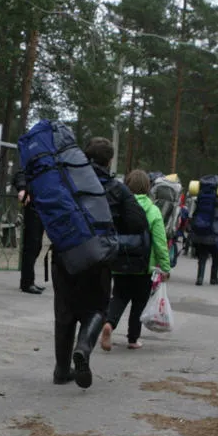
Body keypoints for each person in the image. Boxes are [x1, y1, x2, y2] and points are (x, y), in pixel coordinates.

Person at [50, 137, 148, 388]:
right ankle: (83, 348)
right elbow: (138, 223)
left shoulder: (66, 180)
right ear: (109, 160)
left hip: (64, 254)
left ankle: (62, 371)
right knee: (96, 307)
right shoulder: (117, 188)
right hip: (97, 257)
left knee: (64, 311)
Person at [102, 170, 171, 351]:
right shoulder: (153, 210)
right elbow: (160, 241)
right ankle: (133, 339)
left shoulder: (119, 207)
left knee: (118, 296)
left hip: (120, 262)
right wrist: (165, 266)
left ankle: (109, 323)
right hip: (143, 266)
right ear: (148, 187)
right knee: (139, 302)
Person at [189, 176, 218, 287]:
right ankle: (213, 278)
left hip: (199, 232)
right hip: (214, 234)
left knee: (202, 256)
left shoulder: (199, 198)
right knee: (216, 256)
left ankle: (200, 278)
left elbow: (193, 214)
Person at [12, 166, 45, 295]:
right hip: (34, 204)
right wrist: (22, 189)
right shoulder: (35, 159)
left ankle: (29, 280)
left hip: (43, 204)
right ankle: (27, 282)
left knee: (37, 245)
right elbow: (21, 173)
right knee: (32, 245)